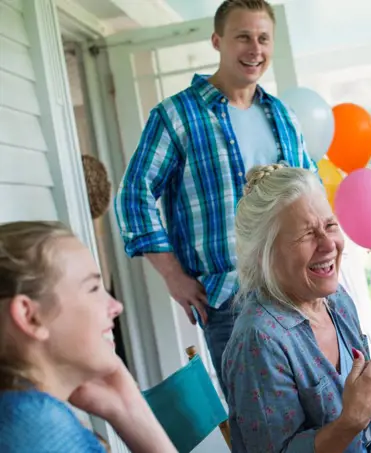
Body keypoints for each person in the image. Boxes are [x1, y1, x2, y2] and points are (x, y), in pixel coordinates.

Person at [114, 0, 316, 394]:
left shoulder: (284, 116)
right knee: (258, 420)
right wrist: (173, 274)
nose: (254, 49)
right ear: (217, 41)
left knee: (321, 407)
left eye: (263, 38)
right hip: (229, 299)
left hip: (297, 288)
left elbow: (310, 194)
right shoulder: (176, 116)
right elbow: (134, 194)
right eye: (243, 37)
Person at [223, 165, 371, 452]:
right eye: (306, 234)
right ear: (265, 253)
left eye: (329, 226)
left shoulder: (335, 299)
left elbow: (368, 390)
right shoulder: (259, 339)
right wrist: (352, 420)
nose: (329, 244)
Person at [0, 221, 176, 452]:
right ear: (30, 316)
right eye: (93, 288)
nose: (116, 306)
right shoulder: (40, 431)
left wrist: (127, 408)